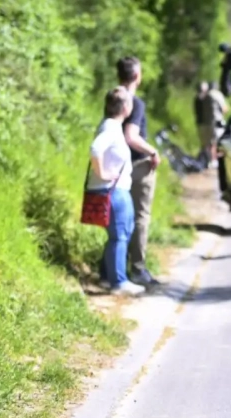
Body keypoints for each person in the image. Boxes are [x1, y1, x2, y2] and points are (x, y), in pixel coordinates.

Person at [90, 87, 143, 296]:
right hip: (113, 191)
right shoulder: (111, 127)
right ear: (125, 107)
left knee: (122, 233)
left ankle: (110, 276)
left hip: (116, 189)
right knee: (119, 235)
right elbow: (95, 149)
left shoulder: (112, 126)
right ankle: (118, 282)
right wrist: (102, 173)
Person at [117, 56, 161, 286]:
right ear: (136, 76)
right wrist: (152, 151)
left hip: (118, 167)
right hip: (138, 166)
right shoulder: (135, 102)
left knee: (121, 218)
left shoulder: (112, 99)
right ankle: (138, 268)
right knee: (140, 216)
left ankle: (115, 266)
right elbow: (131, 136)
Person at [200, 82, 227, 169]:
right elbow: (224, 109)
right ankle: (214, 160)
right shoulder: (217, 95)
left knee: (207, 142)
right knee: (216, 142)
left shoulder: (205, 96)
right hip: (217, 122)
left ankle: (207, 160)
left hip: (207, 122)